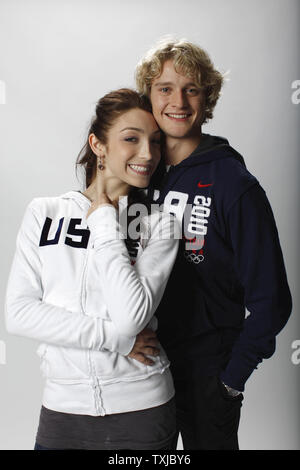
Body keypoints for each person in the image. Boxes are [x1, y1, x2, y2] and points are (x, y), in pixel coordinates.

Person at [135, 38, 292, 450]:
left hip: (208, 373)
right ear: (149, 97)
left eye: (192, 88)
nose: (178, 101)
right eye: (165, 88)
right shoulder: (136, 176)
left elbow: (271, 299)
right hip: (142, 369)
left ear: (208, 98)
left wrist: (230, 379)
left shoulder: (234, 185)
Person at [5, 88, 179, 450]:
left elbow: (131, 317)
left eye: (156, 142)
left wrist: (104, 219)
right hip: (62, 411)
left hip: (142, 409)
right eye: (131, 138)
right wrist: (117, 340)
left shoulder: (159, 223)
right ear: (98, 145)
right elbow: (19, 314)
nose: (148, 154)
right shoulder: (45, 213)